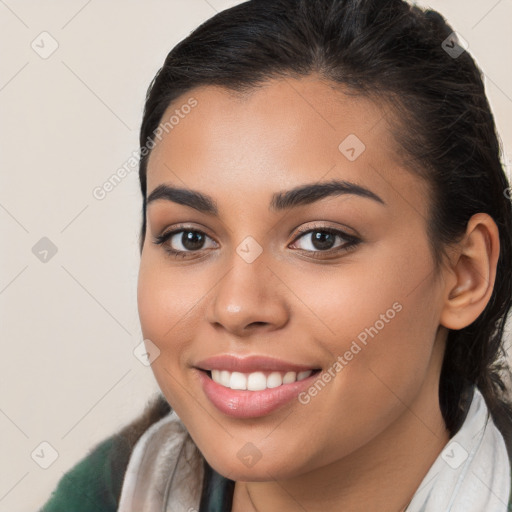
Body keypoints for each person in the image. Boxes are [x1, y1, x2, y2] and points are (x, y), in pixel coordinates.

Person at [40, 0, 512, 510]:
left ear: (465, 275)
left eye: (321, 239)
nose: (237, 307)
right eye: (189, 238)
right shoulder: (100, 496)